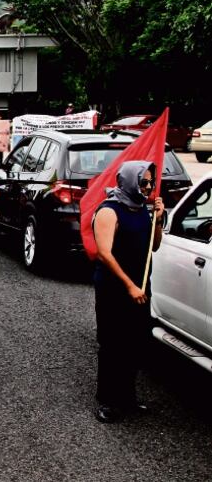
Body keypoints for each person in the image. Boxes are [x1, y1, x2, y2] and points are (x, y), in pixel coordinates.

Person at [91, 161, 164, 423]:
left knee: (136, 342)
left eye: (150, 183)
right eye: (143, 182)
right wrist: (129, 285)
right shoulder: (110, 211)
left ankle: (128, 396)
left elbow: (153, 247)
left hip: (141, 287)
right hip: (115, 288)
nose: (147, 187)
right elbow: (104, 253)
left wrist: (158, 220)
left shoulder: (143, 210)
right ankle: (107, 401)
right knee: (113, 343)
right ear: (129, 181)